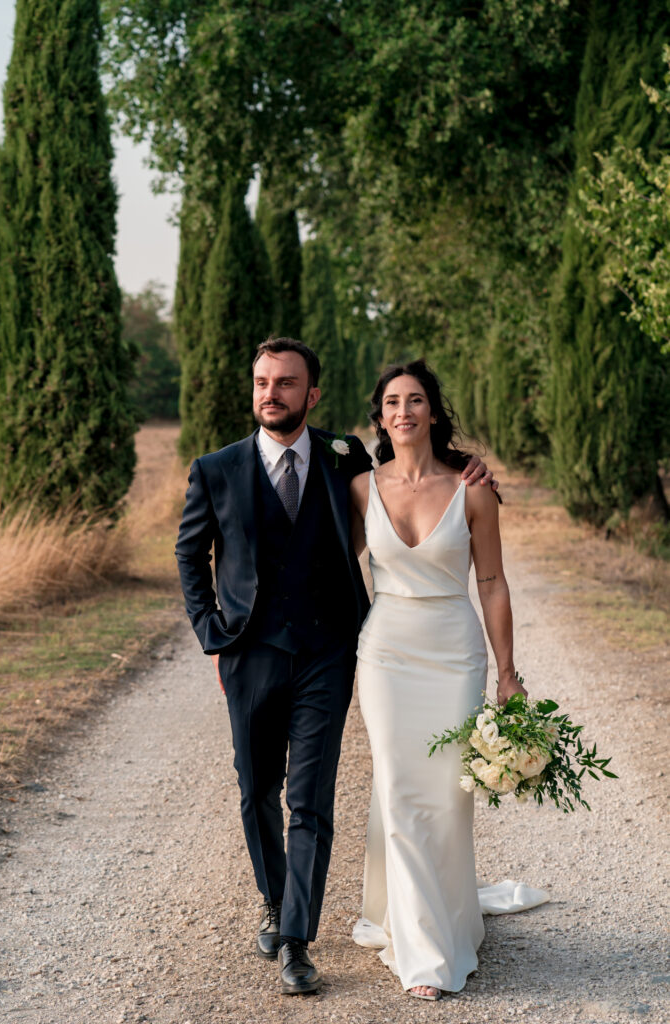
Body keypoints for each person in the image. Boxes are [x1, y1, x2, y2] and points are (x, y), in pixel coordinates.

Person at [175, 338, 495, 995]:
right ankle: (273, 898)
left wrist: (470, 471)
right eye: (263, 381)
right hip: (248, 653)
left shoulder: (341, 455)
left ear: (310, 394)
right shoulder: (215, 469)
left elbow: (405, 473)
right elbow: (189, 556)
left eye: (287, 383)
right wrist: (213, 636)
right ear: (253, 389)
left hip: (327, 651)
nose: (273, 393)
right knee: (257, 785)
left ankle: (296, 939)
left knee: (310, 797)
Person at [349, 360, 547, 1001]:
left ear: (434, 411)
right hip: (385, 655)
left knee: (444, 793)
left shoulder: (472, 490)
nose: (403, 412)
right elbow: (322, 564)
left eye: (415, 401)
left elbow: (490, 582)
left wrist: (508, 675)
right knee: (399, 788)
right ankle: (426, 954)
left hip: (454, 654)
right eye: (391, 403)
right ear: (379, 417)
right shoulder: (358, 489)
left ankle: (448, 916)